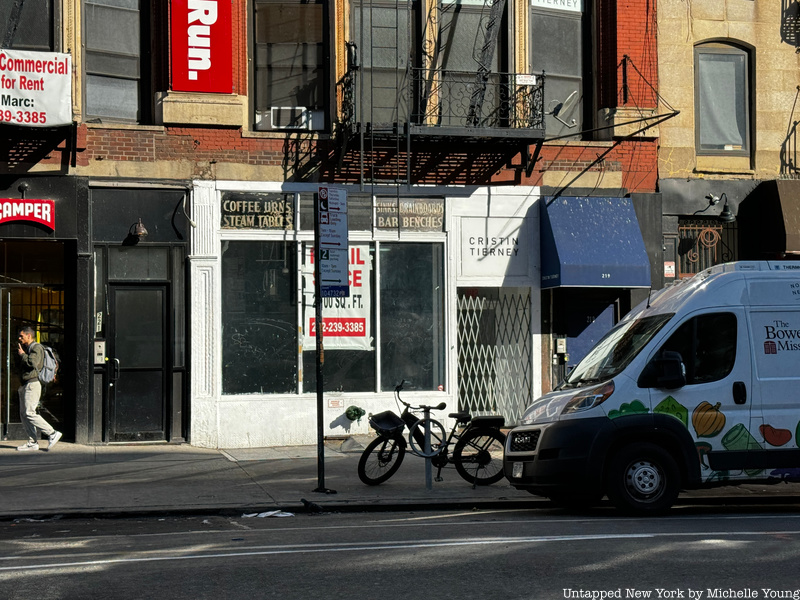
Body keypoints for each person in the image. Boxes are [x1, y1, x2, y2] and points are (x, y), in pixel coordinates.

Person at [16, 326, 62, 451]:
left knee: (29, 412)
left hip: (32, 384)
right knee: (24, 414)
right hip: (26, 384)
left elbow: (32, 363)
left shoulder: (36, 347)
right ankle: (32, 442)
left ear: (29, 336)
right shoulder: (29, 348)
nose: (19, 338)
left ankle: (52, 433)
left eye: (22, 336)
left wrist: (22, 355)